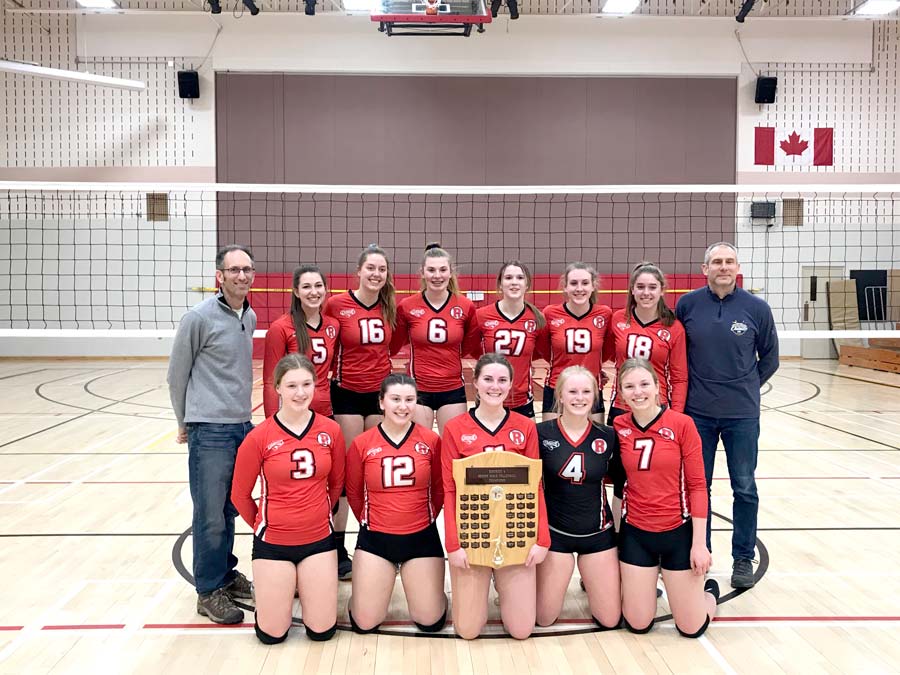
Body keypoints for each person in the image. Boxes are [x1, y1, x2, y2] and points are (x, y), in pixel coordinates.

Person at [675, 242, 779, 589]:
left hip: (742, 415)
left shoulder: (757, 309)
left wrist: (746, 386)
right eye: (716, 262)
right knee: (696, 486)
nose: (723, 267)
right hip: (697, 415)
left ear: (738, 267)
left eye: (729, 261)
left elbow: (770, 359)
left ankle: (742, 559)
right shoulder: (687, 305)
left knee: (745, 487)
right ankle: (697, 552)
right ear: (704, 269)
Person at [167, 244, 257, 624]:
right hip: (210, 428)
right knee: (209, 513)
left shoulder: (248, 315)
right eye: (234, 270)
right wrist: (184, 421)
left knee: (228, 508)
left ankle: (225, 573)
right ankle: (207, 591)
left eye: (247, 269)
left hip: (240, 426)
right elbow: (176, 374)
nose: (241, 275)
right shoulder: (198, 317)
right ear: (220, 275)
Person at [231, 354, 345, 644]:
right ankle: (274, 593)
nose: (300, 392)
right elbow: (239, 494)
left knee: (322, 632)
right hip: (274, 545)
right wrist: (263, 524)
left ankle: (300, 586)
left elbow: (336, 484)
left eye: (307, 384)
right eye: (291, 385)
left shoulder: (330, 430)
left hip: (319, 541)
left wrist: (318, 516)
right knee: (272, 635)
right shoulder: (260, 436)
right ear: (277, 388)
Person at [441, 353, 550, 640]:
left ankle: (505, 587)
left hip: (515, 532)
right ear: (474, 382)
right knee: (467, 631)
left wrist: (542, 539)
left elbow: (536, 486)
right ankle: (478, 589)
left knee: (522, 630)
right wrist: (454, 544)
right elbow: (449, 489)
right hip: (472, 534)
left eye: (502, 380)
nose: (495, 386)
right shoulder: (455, 428)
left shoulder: (525, 427)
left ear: (511, 384)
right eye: (488, 379)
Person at [613, 358, 719, 638]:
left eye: (644, 384)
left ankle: (709, 595)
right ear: (621, 393)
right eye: (629, 386)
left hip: (678, 533)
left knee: (691, 628)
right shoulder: (619, 426)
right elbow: (615, 484)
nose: (638, 392)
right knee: (637, 624)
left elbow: (698, 486)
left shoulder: (682, 424)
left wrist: (700, 545)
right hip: (636, 533)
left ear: (658, 387)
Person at [344, 374, 447, 634]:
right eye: (396, 399)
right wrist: (373, 521)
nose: (403, 406)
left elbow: (439, 490)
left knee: (430, 622)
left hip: (421, 538)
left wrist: (422, 519)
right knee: (364, 623)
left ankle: (430, 591)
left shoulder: (431, 441)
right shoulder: (362, 444)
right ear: (381, 402)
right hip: (376, 540)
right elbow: (355, 494)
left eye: (410, 400)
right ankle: (365, 595)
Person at [323, 244, 397, 580]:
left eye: (381, 269)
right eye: (371, 268)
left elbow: (390, 347)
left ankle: (378, 543)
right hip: (348, 395)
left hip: (379, 397)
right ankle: (337, 548)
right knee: (346, 475)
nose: (376, 274)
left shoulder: (389, 306)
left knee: (376, 473)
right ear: (358, 271)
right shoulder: (337, 304)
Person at [535, 366, 620, 630]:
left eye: (586, 391)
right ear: (560, 395)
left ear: (595, 396)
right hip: (555, 535)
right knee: (544, 618)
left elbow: (621, 486)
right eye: (572, 391)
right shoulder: (540, 433)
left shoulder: (608, 435)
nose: (579, 397)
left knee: (609, 620)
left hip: (598, 535)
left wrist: (619, 534)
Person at [391, 244, 477, 435]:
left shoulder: (465, 306)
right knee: (421, 446)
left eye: (442, 270)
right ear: (422, 272)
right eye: (431, 270)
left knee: (453, 447)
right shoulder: (407, 306)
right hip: (418, 388)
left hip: (453, 388)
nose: (437, 275)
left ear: (450, 272)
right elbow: (394, 345)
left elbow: (469, 347)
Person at [604, 262, 687, 424]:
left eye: (652, 287)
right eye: (640, 287)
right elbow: (604, 353)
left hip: (657, 406)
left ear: (661, 290)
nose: (646, 293)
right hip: (622, 405)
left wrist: (677, 414)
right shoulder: (618, 319)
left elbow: (679, 378)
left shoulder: (674, 328)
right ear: (632, 289)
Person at [263, 264, 339, 418]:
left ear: (325, 289)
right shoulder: (280, 328)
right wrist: (271, 421)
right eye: (306, 287)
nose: (313, 292)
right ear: (296, 292)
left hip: (325, 412)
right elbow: (270, 381)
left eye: (318, 286)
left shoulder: (333, 325)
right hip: (293, 412)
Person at [540, 263, 612, 423]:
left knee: (593, 444)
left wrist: (595, 366)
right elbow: (544, 350)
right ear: (565, 287)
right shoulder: (550, 313)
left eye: (585, 283)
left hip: (591, 389)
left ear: (593, 286)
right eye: (573, 283)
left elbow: (607, 351)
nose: (579, 288)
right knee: (551, 445)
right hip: (556, 388)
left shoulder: (605, 314)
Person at [472, 261, 546, 419]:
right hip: (488, 398)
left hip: (522, 401)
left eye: (520, 277)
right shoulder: (481, 315)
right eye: (508, 277)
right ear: (500, 284)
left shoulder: (537, 319)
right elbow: (470, 348)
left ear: (527, 285)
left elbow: (542, 352)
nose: (514, 282)